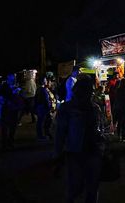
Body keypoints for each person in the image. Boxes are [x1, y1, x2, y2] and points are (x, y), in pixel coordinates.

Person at [54, 74, 105, 203]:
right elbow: (60, 133)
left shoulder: (95, 108)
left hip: (92, 152)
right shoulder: (68, 109)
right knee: (76, 189)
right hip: (75, 153)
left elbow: (101, 130)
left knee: (91, 189)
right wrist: (58, 154)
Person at [0, 73, 24, 150]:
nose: (13, 80)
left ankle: (10, 142)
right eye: (12, 79)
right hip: (6, 110)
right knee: (5, 127)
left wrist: (18, 94)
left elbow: (19, 97)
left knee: (13, 127)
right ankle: (4, 144)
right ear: (8, 78)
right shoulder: (3, 87)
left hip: (14, 109)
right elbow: (1, 97)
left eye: (14, 79)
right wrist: (12, 93)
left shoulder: (15, 86)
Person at [35, 76, 52, 141]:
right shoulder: (43, 90)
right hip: (43, 108)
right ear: (42, 81)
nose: (46, 81)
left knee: (40, 122)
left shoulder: (39, 89)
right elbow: (46, 100)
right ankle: (41, 136)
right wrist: (49, 107)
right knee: (41, 122)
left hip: (39, 107)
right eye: (45, 80)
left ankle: (40, 135)